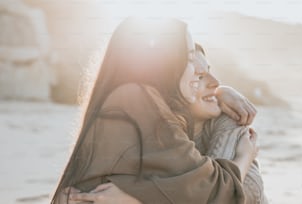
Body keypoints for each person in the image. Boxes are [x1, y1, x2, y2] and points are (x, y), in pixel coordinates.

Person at [51, 17, 260, 204]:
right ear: (165, 60)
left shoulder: (129, 96)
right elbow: (211, 190)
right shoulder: (137, 99)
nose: (196, 71)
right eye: (187, 58)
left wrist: (138, 197)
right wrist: (244, 156)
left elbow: (178, 185)